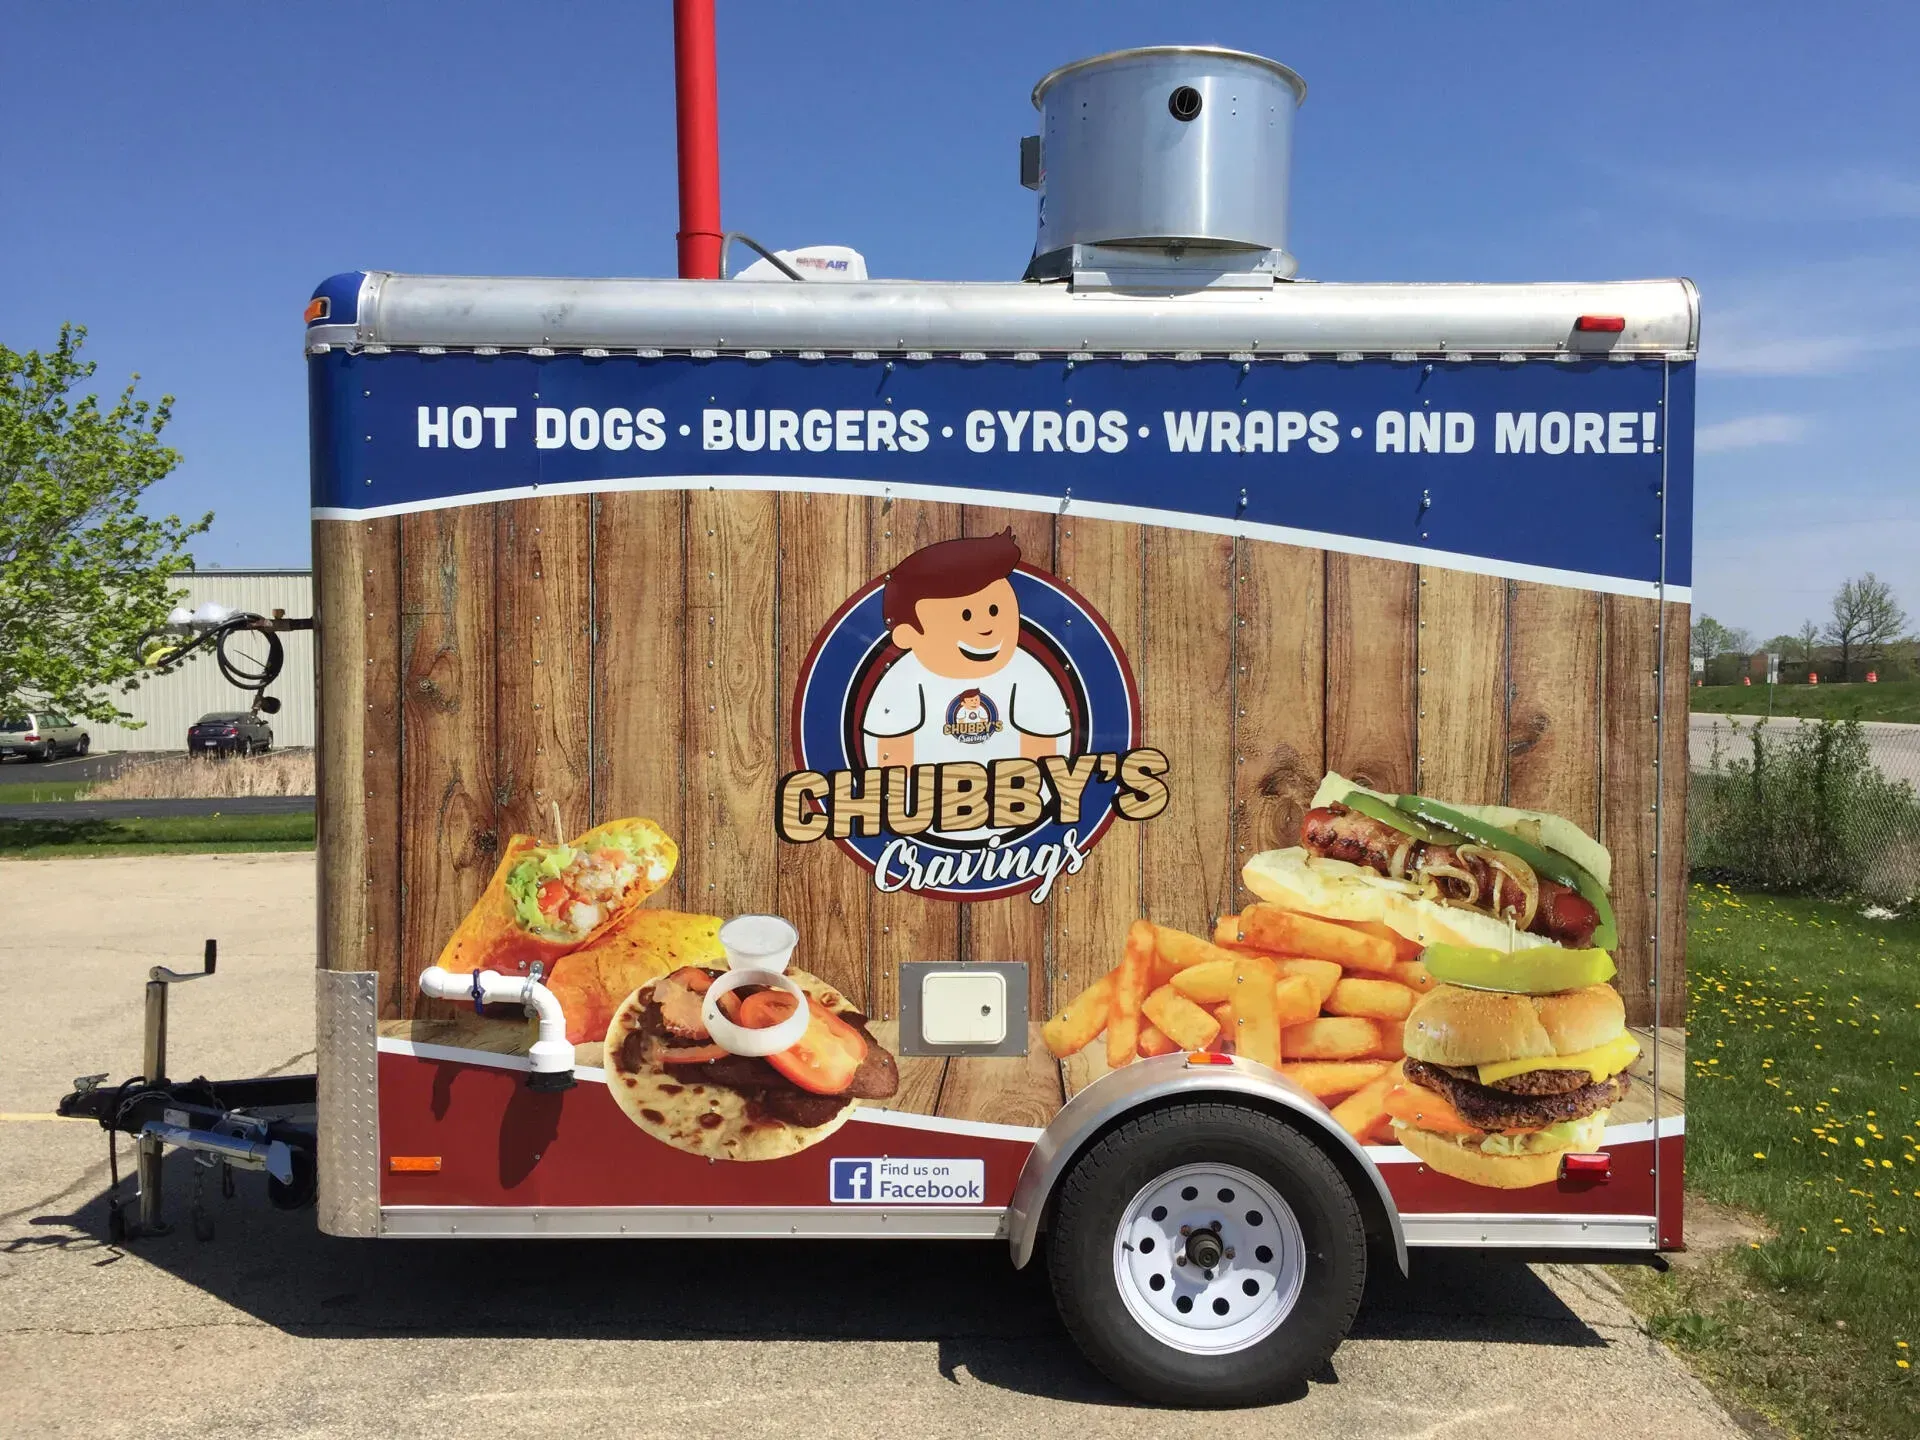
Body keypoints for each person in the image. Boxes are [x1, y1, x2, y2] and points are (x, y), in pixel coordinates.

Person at [862, 530, 1071, 783]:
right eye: (966, 616)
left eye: (995, 610)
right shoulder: (901, 678)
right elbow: (889, 762)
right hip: (923, 811)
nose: (986, 628)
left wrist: (1028, 806)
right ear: (906, 635)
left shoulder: (1028, 672)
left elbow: (1046, 753)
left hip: (1015, 806)